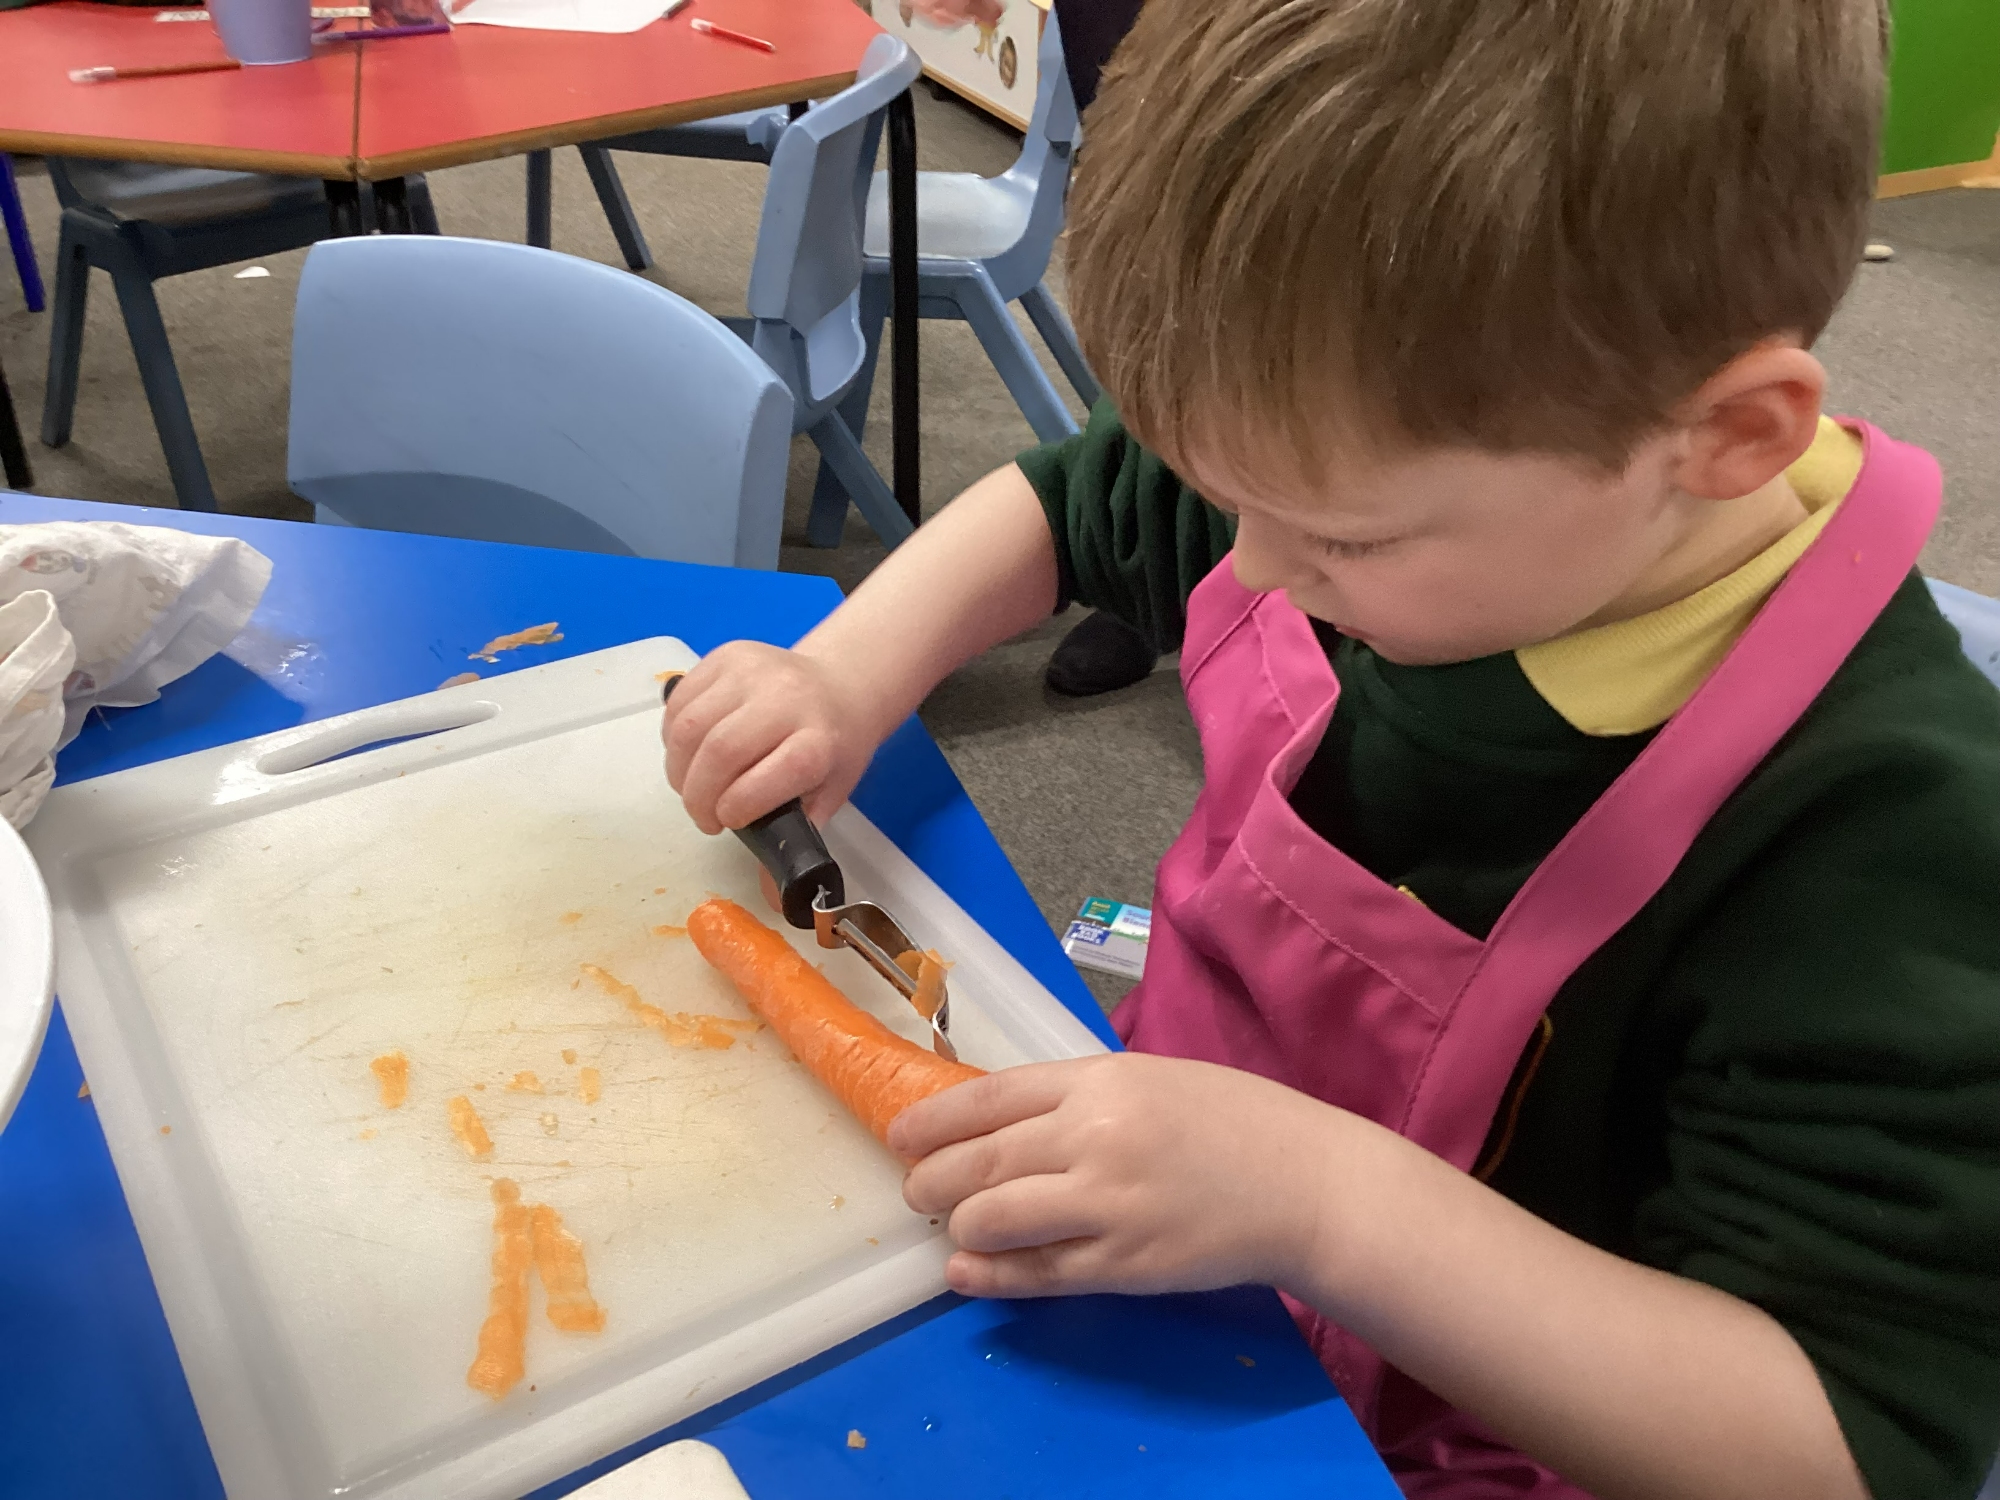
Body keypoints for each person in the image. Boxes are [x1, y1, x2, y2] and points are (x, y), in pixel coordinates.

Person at [662, 0, 2000, 1494]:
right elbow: (1066, 502)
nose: (1252, 569)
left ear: (1732, 438)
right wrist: (846, 672)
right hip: (1181, 1225)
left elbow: (1838, 1442)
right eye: (1231, 497)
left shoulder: (1892, 838)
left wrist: (1322, 1206)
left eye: (1342, 538)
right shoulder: (1380, 473)